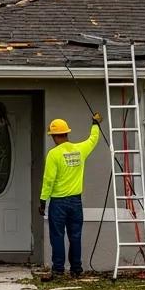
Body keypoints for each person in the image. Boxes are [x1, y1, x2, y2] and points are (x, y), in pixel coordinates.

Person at [38, 112, 102, 280]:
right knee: (75, 236)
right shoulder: (80, 149)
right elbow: (93, 140)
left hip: (58, 202)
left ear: (54, 136)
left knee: (57, 236)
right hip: (76, 202)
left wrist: (43, 201)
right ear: (66, 133)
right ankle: (76, 269)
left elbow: (48, 179)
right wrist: (95, 123)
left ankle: (58, 270)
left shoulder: (54, 154)